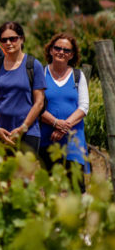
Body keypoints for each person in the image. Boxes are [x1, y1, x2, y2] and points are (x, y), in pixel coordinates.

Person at [0, 22, 46, 154]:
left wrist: (23, 128)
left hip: (28, 133)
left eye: (13, 38)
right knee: (0, 174)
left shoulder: (33, 65)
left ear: (21, 39)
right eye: (4, 40)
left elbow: (39, 102)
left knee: (24, 174)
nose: (9, 43)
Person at [39, 33, 90, 186]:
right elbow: (36, 105)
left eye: (66, 50)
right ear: (51, 50)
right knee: (50, 188)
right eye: (58, 48)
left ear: (72, 55)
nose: (61, 52)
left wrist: (64, 127)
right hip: (48, 139)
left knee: (75, 188)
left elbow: (84, 107)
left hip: (73, 140)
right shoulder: (40, 74)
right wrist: (55, 123)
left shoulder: (78, 75)